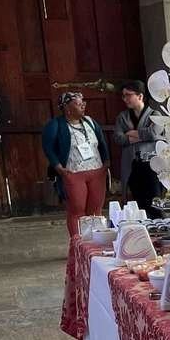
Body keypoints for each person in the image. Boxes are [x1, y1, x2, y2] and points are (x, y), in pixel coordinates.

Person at [41, 92, 110, 237]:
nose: (83, 105)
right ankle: (77, 244)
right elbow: (48, 148)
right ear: (67, 108)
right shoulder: (55, 125)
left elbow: (102, 143)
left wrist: (106, 162)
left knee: (95, 211)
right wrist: (59, 168)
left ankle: (95, 243)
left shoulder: (90, 122)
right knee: (77, 211)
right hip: (73, 173)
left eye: (83, 102)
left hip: (97, 172)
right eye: (78, 104)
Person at [114, 80, 164, 219]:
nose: (125, 99)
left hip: (152, 164)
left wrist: (131, 134)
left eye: (128, 95)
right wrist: (142, 136)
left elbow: (153, 133)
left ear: (140, 96)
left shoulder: (155, 114)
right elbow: (118, 138)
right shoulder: (123, 117)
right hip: (132, 164)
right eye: (123, 96)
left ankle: (158, 226)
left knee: (155, 201)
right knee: (138, 203)